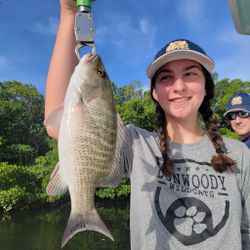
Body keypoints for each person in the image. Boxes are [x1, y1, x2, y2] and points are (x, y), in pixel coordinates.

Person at [45, 1, 250, 249]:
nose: (179, 86)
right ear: (154, 92)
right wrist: (68, 13)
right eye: (166, 77)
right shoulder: (137, 144)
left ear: (206, 87)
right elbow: (56, 125)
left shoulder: (239, 153)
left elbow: (246, 232)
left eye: (190, 74)